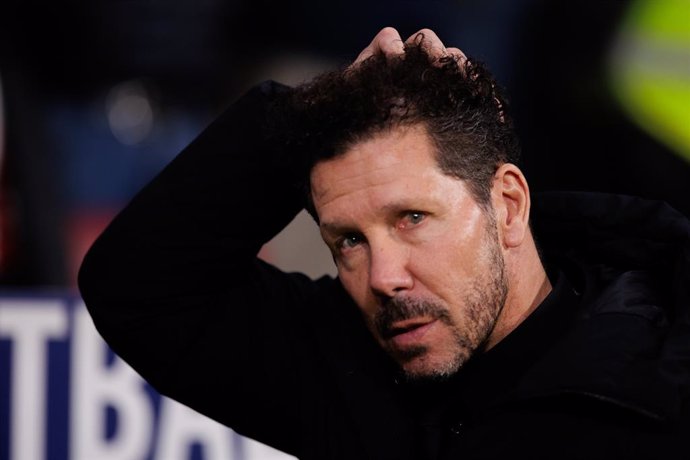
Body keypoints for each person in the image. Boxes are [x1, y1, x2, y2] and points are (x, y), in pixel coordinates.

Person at [78, 27, 690, 459]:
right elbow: (141, 288)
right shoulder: (354, 366)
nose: (382, 277)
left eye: (412, 218)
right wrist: (296, 121)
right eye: (348, 239)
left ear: (506, 206)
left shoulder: (661, 385)